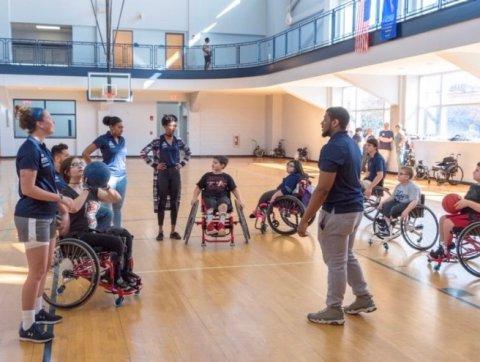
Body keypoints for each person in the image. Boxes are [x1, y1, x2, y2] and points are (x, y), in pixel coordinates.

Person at [298, 106, 375, 326]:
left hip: (338, 212)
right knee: (346, 256)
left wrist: (305, 219)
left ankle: (334, 309)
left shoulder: (332, 148)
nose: (321, 123)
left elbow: (323, 189)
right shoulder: (352, 144)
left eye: (325, 119)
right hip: (355, 209)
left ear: (335, 122)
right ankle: (363, 297)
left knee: (336, 262)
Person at [13, 105, 74, 343]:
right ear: (39, 123)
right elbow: (28, 188)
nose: (53, 121)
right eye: (50, 117)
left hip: (47, 213)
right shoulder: (29, 149)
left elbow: (50, 184)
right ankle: (27, 325)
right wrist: (60, 199)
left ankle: (38, 311)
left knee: (45, 267)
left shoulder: (42, 147)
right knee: (36, 271)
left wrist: (61, 208)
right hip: (32, 215)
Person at [59, 156, 137, 287]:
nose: (80, 166)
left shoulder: (93, 189)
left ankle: (125, 272)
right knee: (116, 242)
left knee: (125, 234)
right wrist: (86, 189)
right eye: (75, 164)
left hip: (93, 230)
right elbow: (74, 207)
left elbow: (116, 198)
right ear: (67, 172)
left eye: (81, 164)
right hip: (77, 235)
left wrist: (106, 186)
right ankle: (114, 278)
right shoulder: (64, 192)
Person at [140, 114, 191, 241]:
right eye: (170, 125)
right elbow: (143, 152)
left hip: (175, 173)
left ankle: (173, 231)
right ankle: (160, 231)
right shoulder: (157, 141)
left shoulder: (178, 140)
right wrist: (155, 165)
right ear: (164, 126)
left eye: (174, 125)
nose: (172, 128)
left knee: (175, 202)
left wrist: (182, 164)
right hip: (162, 174)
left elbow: (188, 152)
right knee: (161, 202)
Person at [82, 116, 127, 228]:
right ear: (111, 127)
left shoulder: (122, 140)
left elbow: (122, 157)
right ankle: (105, 231)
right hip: (109, 177)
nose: (122, 129)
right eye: (119, 127)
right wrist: (95, 169)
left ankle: (117, 232)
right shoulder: (103, 139)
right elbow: (85, 153)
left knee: (118, 206)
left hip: (122, 177)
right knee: (107, 207)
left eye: (122, 127)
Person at [429, 162, 480, 259]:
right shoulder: (474, 186)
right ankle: (443, 246)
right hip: (468, 216)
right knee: (443, 219)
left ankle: (444, 251)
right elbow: (468, 201)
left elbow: (470, 203)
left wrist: (468, 203)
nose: (473, 172)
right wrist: (460, 201)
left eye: (477, 170)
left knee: (448, 222)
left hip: (476, 220)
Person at [190, 156, 244, 236]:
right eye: (213, 162)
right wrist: (194, 198)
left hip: (222, 196)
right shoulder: (207, 176)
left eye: (215, 163)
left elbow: (234, 189)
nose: (213, 164)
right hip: (209, 196)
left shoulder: (227, 177)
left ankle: (221, 227)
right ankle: (210, 227)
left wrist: (239, 200)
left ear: (222, 165)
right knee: (211, 205)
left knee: (223, 205)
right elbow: (198, 188)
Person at [377, 166, 420, 237]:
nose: (398, 175)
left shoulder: (413, 187)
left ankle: (390, 221)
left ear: (407, 177)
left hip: (406, 204)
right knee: (384, 206)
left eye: (401, 174)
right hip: (397, 202)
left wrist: (406, 211)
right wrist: (382, 202)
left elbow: (415, 201)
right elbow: (393, 196)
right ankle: (387, 224)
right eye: (398, 173)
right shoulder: (399, 186)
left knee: (395, 208)